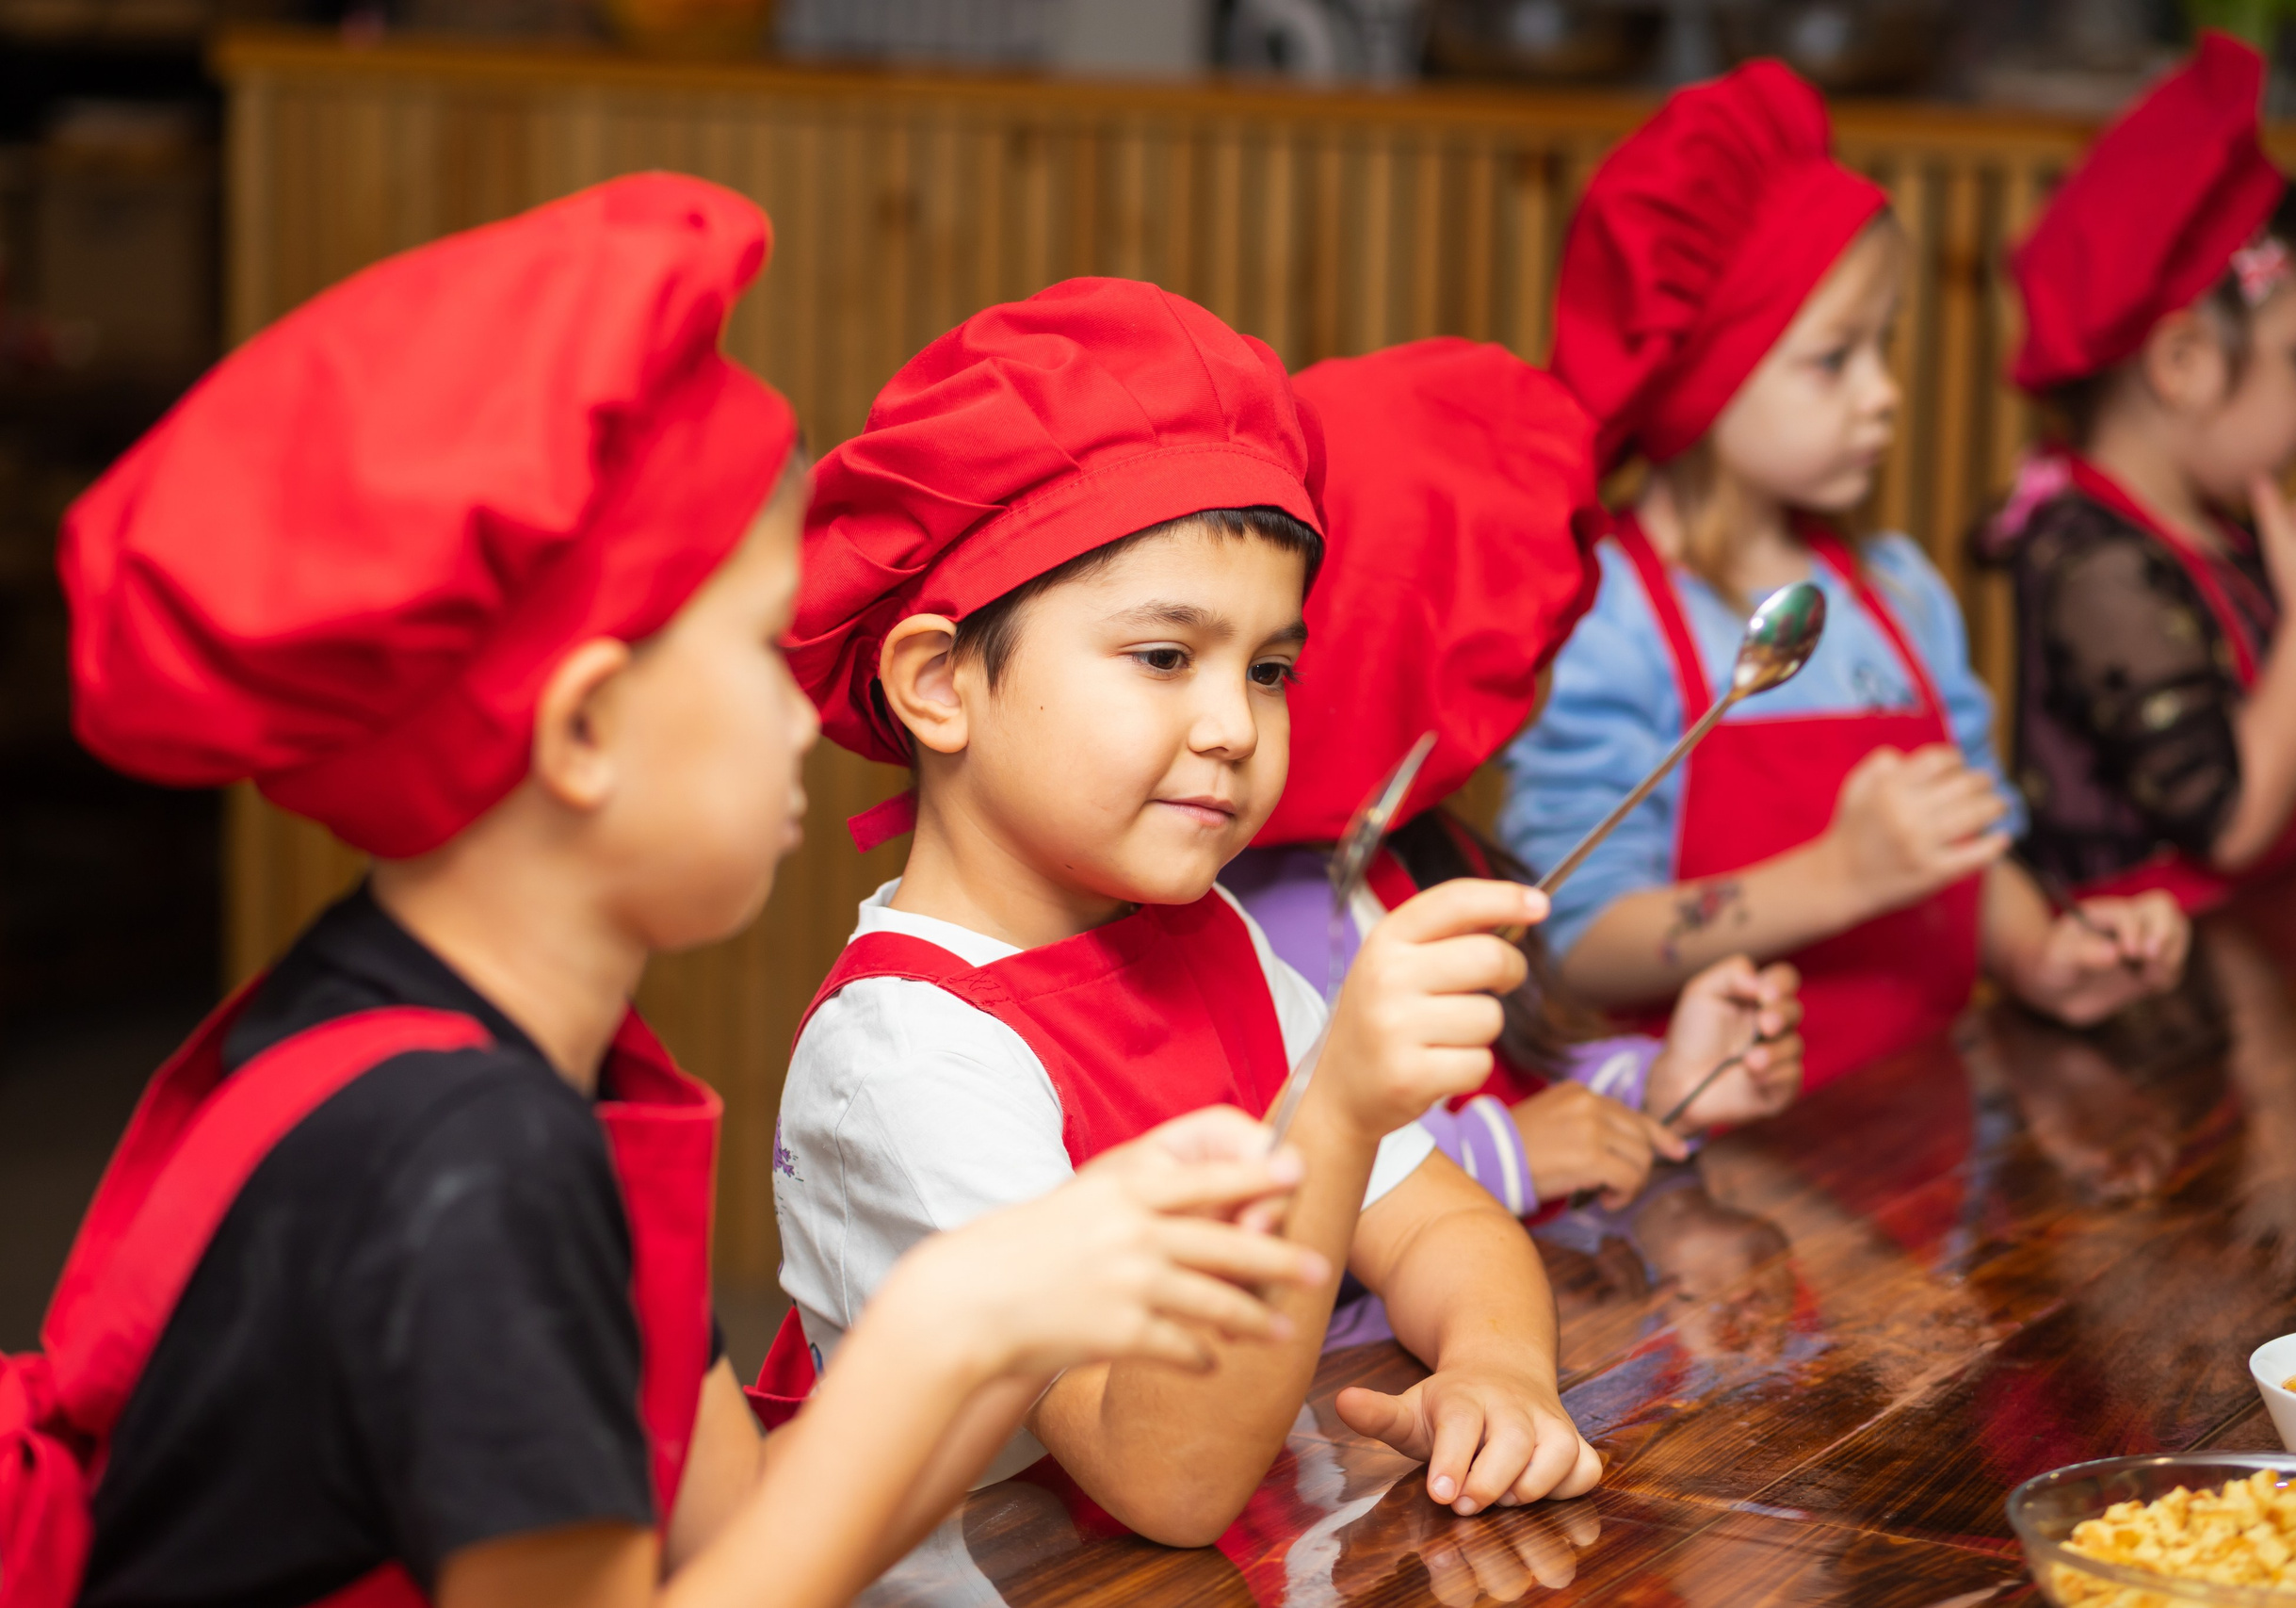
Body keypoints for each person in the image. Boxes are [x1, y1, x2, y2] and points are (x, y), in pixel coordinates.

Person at [20, 177, 1327, 1608]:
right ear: (583, 729)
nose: (804, 710)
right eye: (763, 645)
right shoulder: (465, 1158)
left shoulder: (512, 1053)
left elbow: (729, 1523)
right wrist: (948, 1328)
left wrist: (1006, 1307)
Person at [768, 278, 1604, 1550]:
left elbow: (1437, 1218)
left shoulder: (1217, 939)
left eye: (1270, 668)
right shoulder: (905, 1055)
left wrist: (1497, 1365)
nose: (1235, 723)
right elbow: (1157, 1473)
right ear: (940, 682)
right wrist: (1329, 1114)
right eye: (1166, 655)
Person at [1498, 61, 2190, 1092]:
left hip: (1925, 1132)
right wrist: (1838, 876)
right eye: (1834, 359)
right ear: (1708, 380)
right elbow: (1572, 937)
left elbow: (1973, 846)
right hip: (1707, 1171)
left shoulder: (1900, 595)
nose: (1884, 393)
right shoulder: (1611, 619)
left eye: (1885, 346)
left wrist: (2044, 955)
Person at [1226, 335, 1803, 1222]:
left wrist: (1660, 1081)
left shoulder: (1436, 847)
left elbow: (1524, 1062)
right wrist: (1508, 1153)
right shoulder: (1235, 924)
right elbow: (1271, 1181)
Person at [1981, 32, 2296, 913]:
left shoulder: (2210, 534)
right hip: (2130, 1005)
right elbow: (2232, 814)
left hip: (2238, 954)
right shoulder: (2096, 565)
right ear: (2181, 362)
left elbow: (2289, 761)